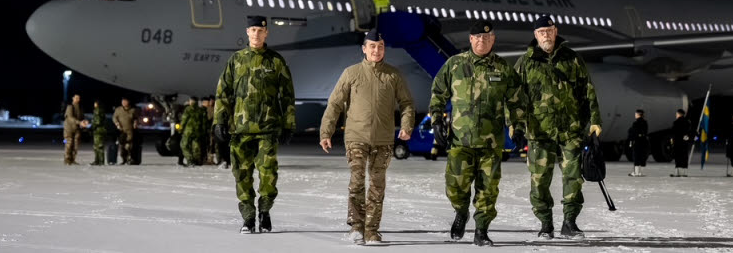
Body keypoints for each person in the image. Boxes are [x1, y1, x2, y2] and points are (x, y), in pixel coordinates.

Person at [429, 20, 525, 246]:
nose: (482, 40)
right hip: (460, 140)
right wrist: (436, 121)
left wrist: (518, 127)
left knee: (488, 190)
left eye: (487, 37)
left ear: (493, 39)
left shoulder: (503, 69)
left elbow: (516, 102)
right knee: (455, 186)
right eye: (478, 37)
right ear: (471, 39)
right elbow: (438, 94)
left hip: (491, 142)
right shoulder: (455, 65)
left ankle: (481, 230)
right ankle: (460, 212)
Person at [319, 30, 414, 244]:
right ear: (364, 49)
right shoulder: (351, 74)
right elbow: (334, 104)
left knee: (377, 185)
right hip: (356, 137)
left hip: (383, 140)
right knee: (357, 181)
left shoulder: (393, 75)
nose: (376, 50)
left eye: (380, 46)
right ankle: (356, 227)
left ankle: (372, 230)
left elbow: (407, 103)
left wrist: (406, 126)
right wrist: (326, 132)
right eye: (372, 46)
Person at [515, 15, 601, 240]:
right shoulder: (525, 62)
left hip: (570, 130)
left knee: (573, 178)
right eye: (541, 32)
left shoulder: (572, 59)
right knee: (539, 180)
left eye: (549, 30)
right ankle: (545, 223)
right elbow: (513, 97)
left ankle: (570, 223)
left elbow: (588, 90)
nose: (545, 35)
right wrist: (514, 125)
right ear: (535, 35)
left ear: (556, 31)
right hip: (539, 132)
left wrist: (595, 120)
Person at [214, 15, 296, 234]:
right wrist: (219, 120)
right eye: (253, 30)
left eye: (260, 31)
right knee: (242, 175)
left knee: (268, 174)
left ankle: (265, 211)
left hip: (267, 130)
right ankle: (249, 218)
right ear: (247, 32)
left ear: (266, 32)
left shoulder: (276, 61)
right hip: (240, 130)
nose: (257, 34)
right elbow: (223, 92)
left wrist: (288, 124)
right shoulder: (236, 60)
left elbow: (287, 95)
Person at [178, 97, 209, 166]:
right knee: (196, 147)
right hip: (198, 132)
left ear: (191, 101)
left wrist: (180, 129)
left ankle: (190, 160)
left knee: (184, 146)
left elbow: (184, 120)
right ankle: (197, 161)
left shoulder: (188, 109)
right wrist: (203, 132)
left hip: (188, 131)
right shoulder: (201, 110)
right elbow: (204, 123)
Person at [63, 94, 88, 165]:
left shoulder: (80, 108)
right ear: (73, 98)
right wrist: (79, 122)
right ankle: (67, 159)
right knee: (69, 143)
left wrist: (84, 122)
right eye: (76, 98)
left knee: (76, 145)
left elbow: (82, 117)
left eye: (78, 98)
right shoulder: (70, 107)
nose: (77, 99)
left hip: (77, 129)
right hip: (69, 129)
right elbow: (70, 118)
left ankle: (73, 159)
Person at [112, 97, 138, 165]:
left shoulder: (133, 110)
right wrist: (117, 124)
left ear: (128, 102)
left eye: (125, 101)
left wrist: (135, 123)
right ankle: (123, 159)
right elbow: (114, 117)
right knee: (122, 145)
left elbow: (136, 118)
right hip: (121, 130)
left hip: (130, 130)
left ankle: (130, 159)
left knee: (129, 145)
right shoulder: (118, 110)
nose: (123, 103)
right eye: (122, 101)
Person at [670, 108, 692, 177]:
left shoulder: (676, 122)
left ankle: (678, 173)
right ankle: (684, 172)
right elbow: (689, 132)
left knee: (678, 157)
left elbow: (673, 132)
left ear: (679, 114)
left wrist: (672, 141)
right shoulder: (688, 122)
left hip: (677, 142)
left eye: (676, 114)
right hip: (685, 142)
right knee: (684, 156)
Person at [628, 109, 649, 177]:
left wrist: (631, 140)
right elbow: (645, 132)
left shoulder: (635, 123)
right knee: (643, 156)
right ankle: (641, 172)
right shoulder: (645, 122)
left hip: (637, 142)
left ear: (638, 114)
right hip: (644, 141)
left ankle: (636, 172)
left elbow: (633, 133)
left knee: (636, 156)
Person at [90, 100, 108, 166]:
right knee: (98, 146)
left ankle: (100, 161)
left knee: (98, 146)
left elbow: (97, 121)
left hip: (98, 130)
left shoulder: (97, 110)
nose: (94, 104)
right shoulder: (102, 110)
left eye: (95, 103)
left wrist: (92, 127)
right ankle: (98, 160)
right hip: (101, 130)